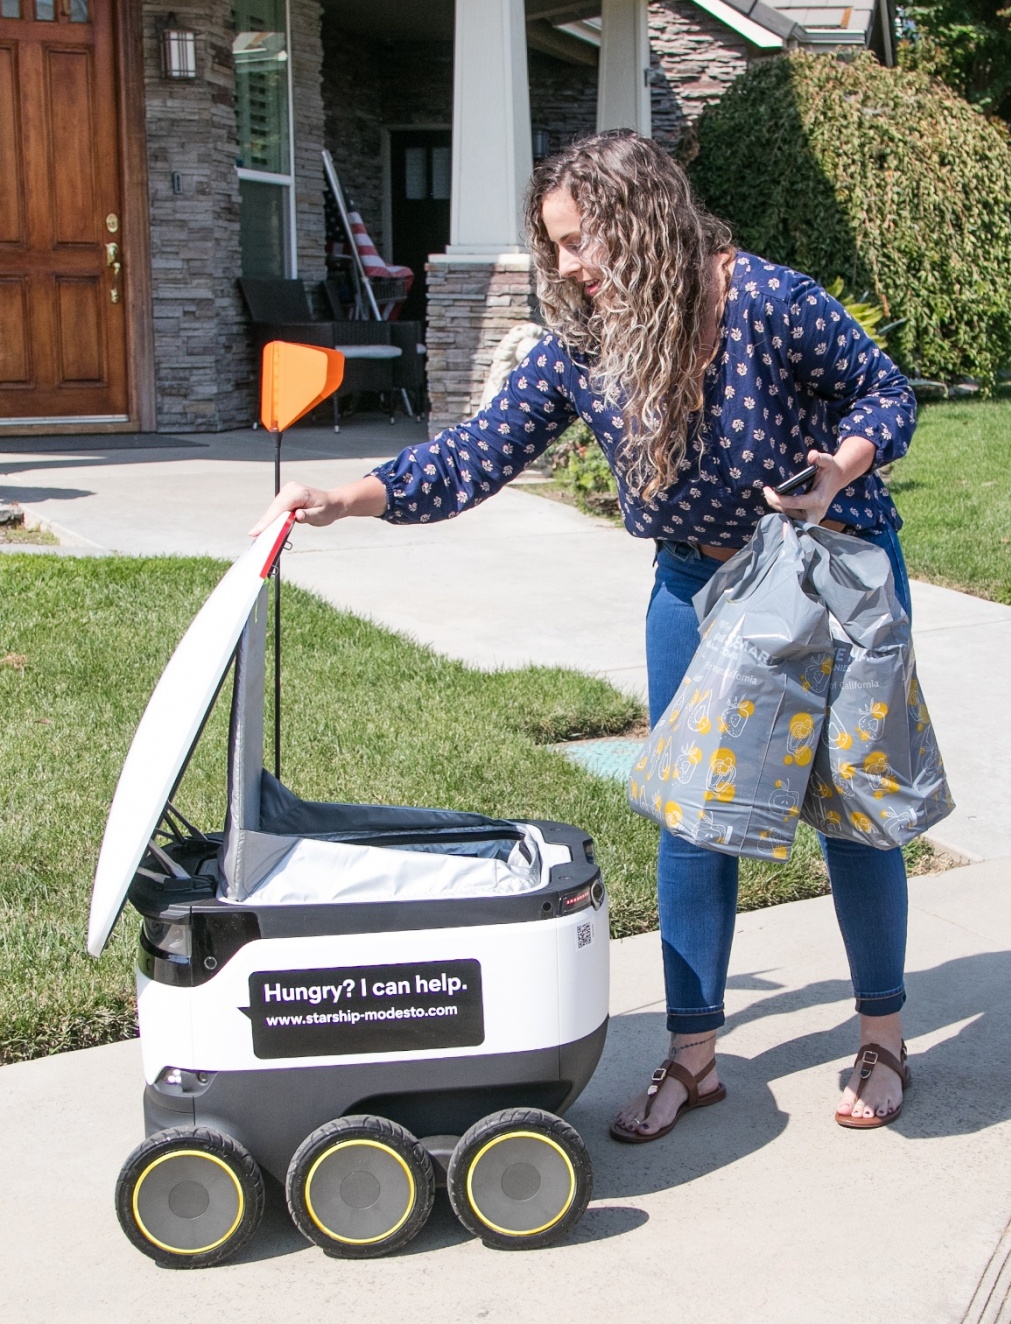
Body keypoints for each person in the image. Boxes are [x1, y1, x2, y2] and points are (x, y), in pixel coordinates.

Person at [252, 131, 919, 1138]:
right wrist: (347, 496)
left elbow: (886, 390)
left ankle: (881, 1038)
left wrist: (843, 464)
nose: (567, 267)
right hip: (696, 586)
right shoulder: (583, 342)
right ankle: (693, 1057)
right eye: (555, 246)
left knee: (851, 813)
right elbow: (478, 451)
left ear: (643, 222)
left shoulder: (768, 305)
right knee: (687, 820)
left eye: (580, 242)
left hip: (822, 575)